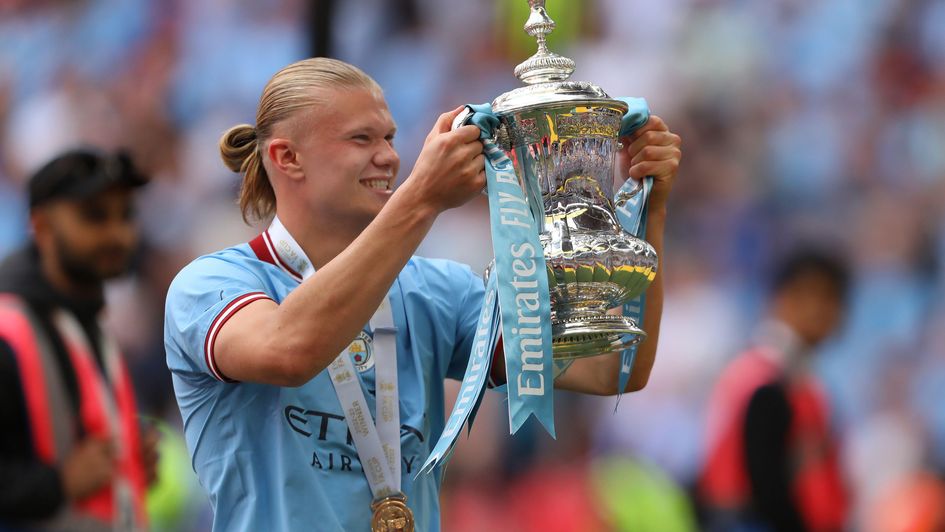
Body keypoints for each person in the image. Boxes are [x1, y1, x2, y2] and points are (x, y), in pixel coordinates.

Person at [163, 57, 682, 531]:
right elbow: (289, 350)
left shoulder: (438, 291)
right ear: (287, 157)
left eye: (389, 137)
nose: (389, 157)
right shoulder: (213, 285)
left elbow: (611, 370)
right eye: (361, 139)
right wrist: (421, 199)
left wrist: (649, 208)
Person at [0, 149, 158, 531]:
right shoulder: (8, 329)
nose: (117, 233)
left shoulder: (88, 319)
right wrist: (58, 484)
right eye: (94, 216)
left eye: (127, 215)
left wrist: (133, 465)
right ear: (42, 227)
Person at [699, 249, 852, 532]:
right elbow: (762, 481)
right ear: (780, 298)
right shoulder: (759, 377)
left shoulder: (800, 378)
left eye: (834, 299)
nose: (823, 310)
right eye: (812, 295)